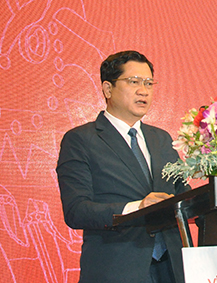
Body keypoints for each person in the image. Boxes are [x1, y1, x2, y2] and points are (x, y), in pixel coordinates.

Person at [57, 50, 189, 283]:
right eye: (134, 82)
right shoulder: (81, 140)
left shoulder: (162, 139)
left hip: (172, 270)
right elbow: (76, 210)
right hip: (116, 271)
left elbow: (182, 194)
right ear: (108, 89)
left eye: (149, 83)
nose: (144, 90)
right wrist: (138, 207)